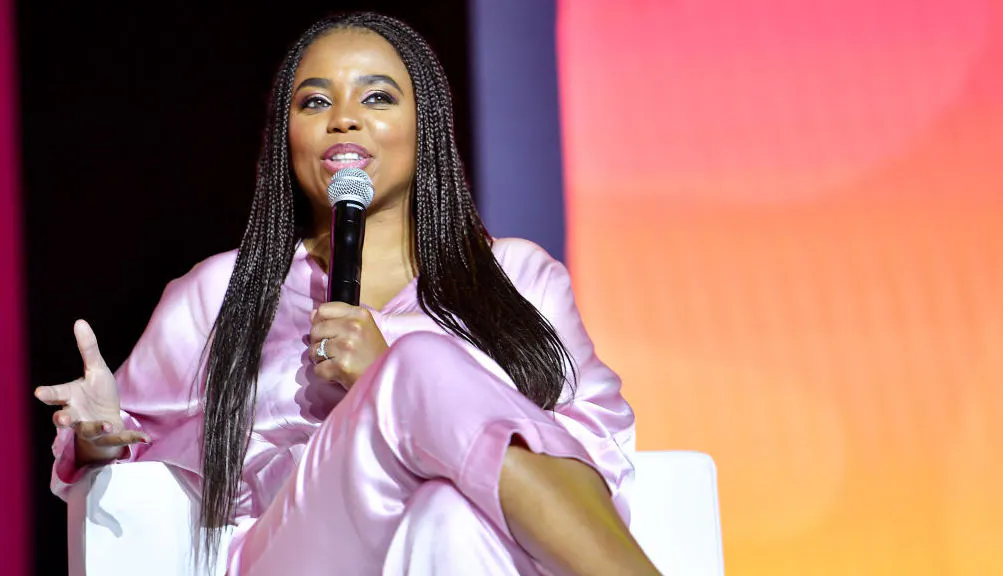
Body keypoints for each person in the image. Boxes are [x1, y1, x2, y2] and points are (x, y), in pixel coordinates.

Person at [36, 11, 656, 576]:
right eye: (314, 102)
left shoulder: (518, 277)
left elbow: (595, 439)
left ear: (427, 125)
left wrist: (383, 376)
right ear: (288, 137)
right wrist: (95, 433)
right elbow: (123, 436)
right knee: (418, 362)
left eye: (377, 96)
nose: (344, 118)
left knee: (449, 514)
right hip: (295, 553)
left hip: (469, 547)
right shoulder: (223, 292)